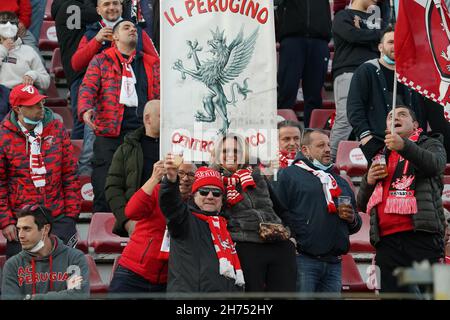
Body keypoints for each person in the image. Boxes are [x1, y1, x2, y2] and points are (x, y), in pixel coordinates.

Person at [357, 106, 447, 293]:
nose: (395, 118)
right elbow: (362, 204)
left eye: (402, 115)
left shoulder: (430, 143)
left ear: (415, 125)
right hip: (386, 242)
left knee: (428, 294)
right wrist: (369, 180)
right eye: (390, 116)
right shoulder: (380, 155)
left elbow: (435, 165)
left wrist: (404, 146)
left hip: (420, 237)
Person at [78, 19, 160, 212]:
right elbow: (87, 87)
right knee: (104, 186)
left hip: (142, 134)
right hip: (110, 134)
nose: (132, 29)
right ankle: (105, 235)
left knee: (142, 187)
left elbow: (159, 96)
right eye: (126, 27)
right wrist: (85, 108)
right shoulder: (100, 60)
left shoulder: (151, 63)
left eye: (134, 28)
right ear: (114, 36)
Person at [71, 0, 159, 175]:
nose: (112, 8)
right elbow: (76, 65)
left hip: (137, 116)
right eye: (106, 4)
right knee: (92, 155)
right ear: (98, 9)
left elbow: (155, 62)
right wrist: (96, 41)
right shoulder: (91, 33)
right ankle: (87, 194)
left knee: (138, 169)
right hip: (104, 112)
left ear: (122, 7)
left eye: (116, 3)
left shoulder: (136, 31)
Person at [275, 129, 362, 293]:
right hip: (303, 260)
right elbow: (278, 213)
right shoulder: (288, 175)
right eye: (321, 145)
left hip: (335, 263)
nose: (328, 149)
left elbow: (356, 224)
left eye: (329, 145)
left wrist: (352, 219)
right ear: (305, 150)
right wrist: (292, 239)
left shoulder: (340, 181)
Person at [0, 84, 81, 258]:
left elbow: (70, 174)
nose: (40, 108)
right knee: (21, 280)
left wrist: (71, 216)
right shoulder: (3, 136)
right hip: (21, 223)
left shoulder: (57, 128)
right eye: (33, 105)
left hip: (58, 218)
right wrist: (6, 221)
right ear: (17, 109)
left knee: (62, 277)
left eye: (41, 103)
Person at [210, 134, 297, 292]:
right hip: (244, 246)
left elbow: (281, 209)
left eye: (236, 150)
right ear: (217, 155)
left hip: (278, 242)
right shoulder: (213, 181)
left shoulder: (258, 177)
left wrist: (291, 238)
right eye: (225, 150)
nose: (231, 154)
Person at [108, 161, 197, 293]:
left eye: (191, 175)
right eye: (181, 173)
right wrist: (154, 178)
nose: (185, 178)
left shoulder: (198, 203)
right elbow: (131, 212)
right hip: (133, 272)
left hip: (168, 280)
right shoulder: (156, 191)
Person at [159, 163, 244, 293]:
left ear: (222, 199)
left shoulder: (226, 226)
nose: (210, 196)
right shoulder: (184, 219)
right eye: (204, 192)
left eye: (216, 193)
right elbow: (170, 203)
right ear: (194, 196)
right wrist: (171, 181)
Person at [347, 26, 427, 161]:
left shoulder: (412, 73)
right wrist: (366, 137)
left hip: (410, 144)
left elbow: (419, 110)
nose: (396, 46)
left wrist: (421, 137)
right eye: (391, 42)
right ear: (380, 47)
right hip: (377, 142)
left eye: (399, 42)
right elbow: (355, 108)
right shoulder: (367, 70)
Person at [330, 0, 385, 159]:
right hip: (349, 71)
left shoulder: (379, 19)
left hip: (374, 72)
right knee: (346, 119)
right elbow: (352, 36)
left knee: (372, 120)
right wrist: (376, 36)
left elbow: (385, 41)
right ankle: (328, 163)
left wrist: (365, 33)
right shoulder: (343, 15)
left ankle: (371, 161)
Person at [1, 205, 89, 300]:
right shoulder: (13, 264)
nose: (20, 235)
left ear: (46, 229)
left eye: (27, 229)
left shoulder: (73, 258)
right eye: (19, 229)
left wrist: (34, 298)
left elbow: (79, 294)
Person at [105, 99, 160, 237]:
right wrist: (127, 221)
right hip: (139, 223)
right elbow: (113, 188)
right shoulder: (126, 149)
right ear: (147, 118)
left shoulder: (177, 148)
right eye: (161, 115)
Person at [276, 0, 331, 128]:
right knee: (287, 90)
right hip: (292, 39)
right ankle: (281, 132)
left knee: (314, 94)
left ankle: (311, 135)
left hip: (319, 40)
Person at [0, 11, 50, 120]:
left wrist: (33, 75)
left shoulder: (28, 51)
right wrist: (3, 49)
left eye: (12, 23)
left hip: (22, 96)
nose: (8, 26)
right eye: (3, 23)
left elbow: (46, 81)